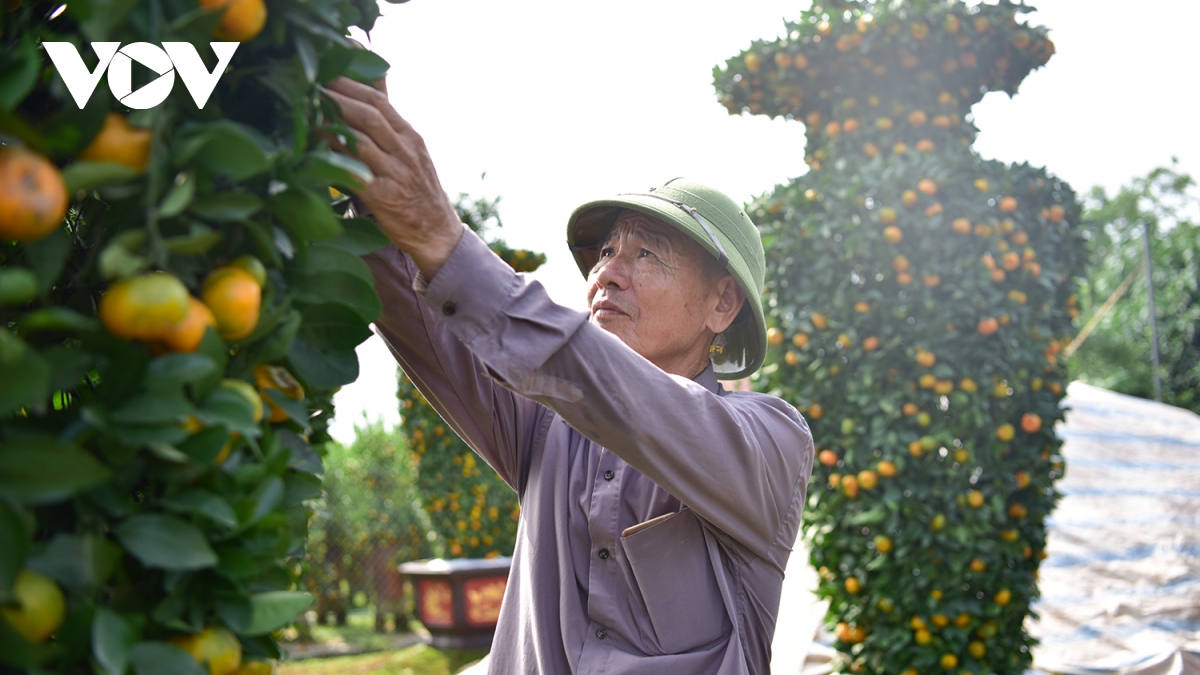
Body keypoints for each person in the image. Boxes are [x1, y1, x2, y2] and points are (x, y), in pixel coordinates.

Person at [323, 76, 814, 675]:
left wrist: (443, 238)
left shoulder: (768, 443)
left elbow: (607, 388)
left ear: (722, 304)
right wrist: (363, 193)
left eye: (647, 252)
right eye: (606, 252)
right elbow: (425, 326)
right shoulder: (547, 428)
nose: (608, 273)